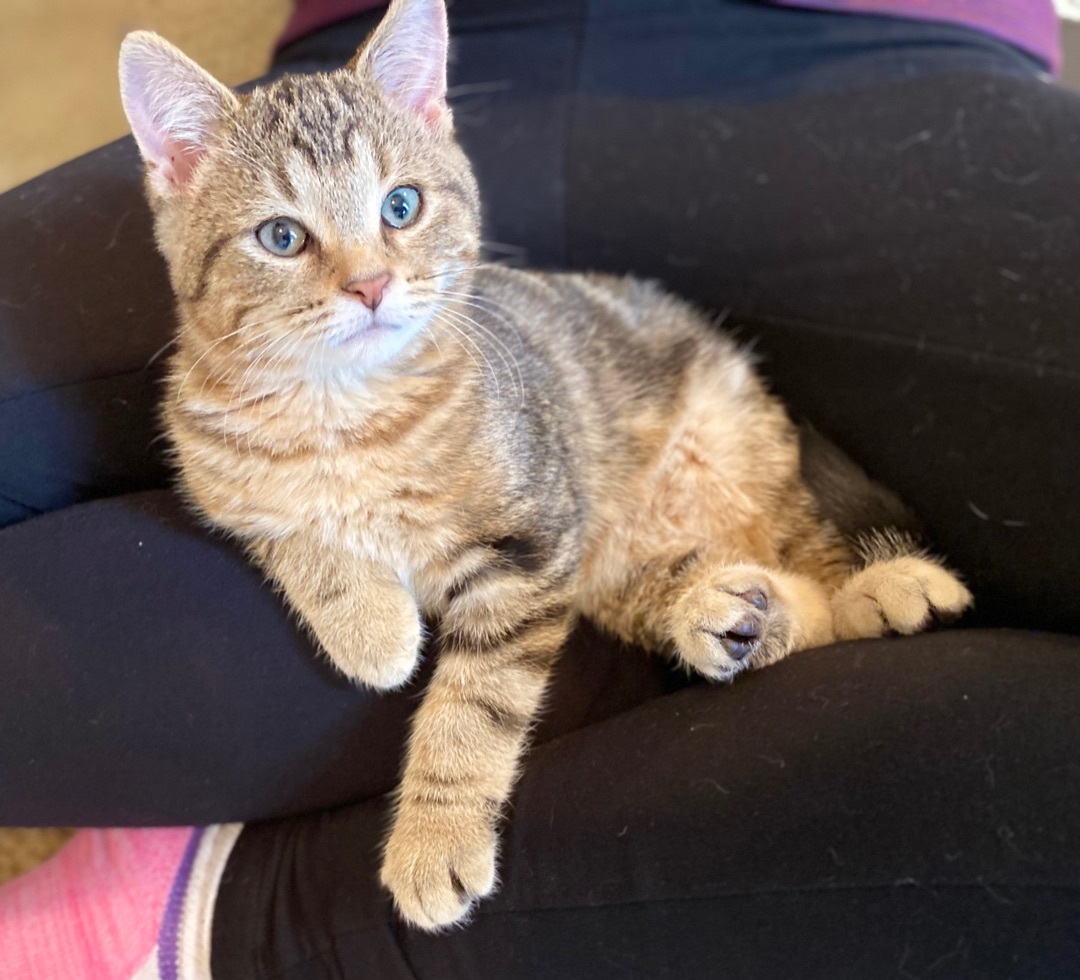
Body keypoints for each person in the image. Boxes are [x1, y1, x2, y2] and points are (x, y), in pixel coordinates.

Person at [2, 1, 1079, 976]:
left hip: (871, 64)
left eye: (395, 217)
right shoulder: (241, 209)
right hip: (371, 70)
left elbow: (528, 545)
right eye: (286, 237)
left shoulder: (459, 337)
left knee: (1028, 756)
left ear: (433, 115)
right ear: (179, 169)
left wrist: (446, 788)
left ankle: (213, 906)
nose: (366, 276)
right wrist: (312, 549)